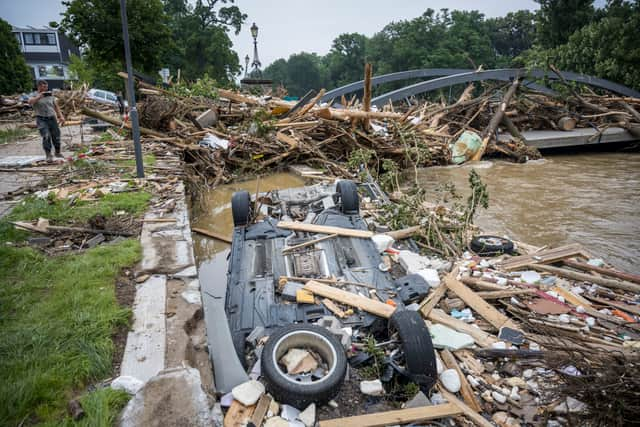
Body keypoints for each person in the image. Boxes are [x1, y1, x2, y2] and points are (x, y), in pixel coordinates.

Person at [28, 79, 66, 162]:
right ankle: (48, 154)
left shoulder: (50, 95)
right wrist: (39, 96)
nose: (46, 88)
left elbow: (56, 106)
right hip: (41, 118)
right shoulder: (34, 94)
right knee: (46, 136)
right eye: (44, 86)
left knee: (56, 135)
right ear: (39, 86)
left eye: (46, 86)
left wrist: (61, 116)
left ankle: (57, 152)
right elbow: (30, 102)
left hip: (52, 117)